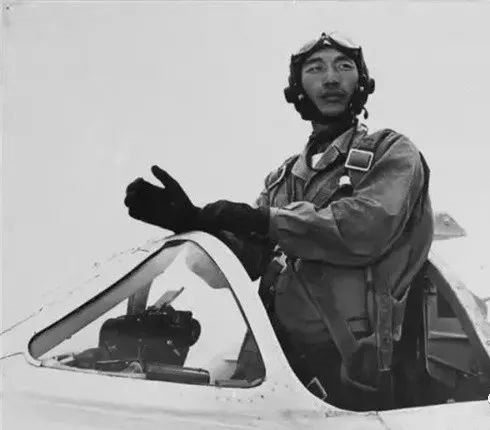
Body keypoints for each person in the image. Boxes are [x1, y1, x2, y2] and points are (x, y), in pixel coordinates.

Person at [124, 32, 434, 411]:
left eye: (343, 67)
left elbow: (367, 227)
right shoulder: (283, 180)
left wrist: (263, 219)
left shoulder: (391, 152)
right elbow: (246, 261)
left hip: (356, 366)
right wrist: (195, 223)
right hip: (278, 363)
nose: (331, 78)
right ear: (298, 88)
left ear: (362, 81)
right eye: (315, 69)